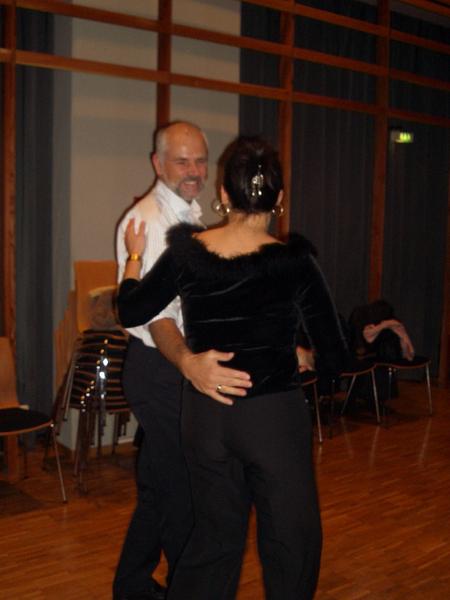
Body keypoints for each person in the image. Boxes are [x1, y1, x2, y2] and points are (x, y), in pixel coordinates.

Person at [117, 136, 347, 599]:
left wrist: (134, 258)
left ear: (223, 194)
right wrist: (299, 356)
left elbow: (131, 310)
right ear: (279, 199)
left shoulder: (187, 253)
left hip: (206, 415)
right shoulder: (295, 263)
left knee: (212, 542)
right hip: (272, 419)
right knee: (291, 541)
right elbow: (338, 356)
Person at [113, 121, 252, 600]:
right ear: (158, 163)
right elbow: (156, 317)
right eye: (181, 161)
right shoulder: (151, 221)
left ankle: (131, 587)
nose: (193, 171)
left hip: (171, 368)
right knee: (182, 496)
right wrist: (190, 364)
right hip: (162, 369)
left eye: (199, 160)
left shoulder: (190, 215)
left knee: (159, 490)